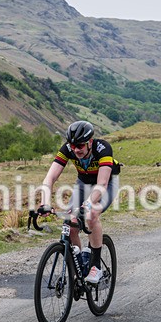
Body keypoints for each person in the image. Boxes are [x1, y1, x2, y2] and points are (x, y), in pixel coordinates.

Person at [39, 121, 120, 283]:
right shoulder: (68, 149)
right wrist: (44, 203)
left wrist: (88, 204)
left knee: (91, 214)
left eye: (80, 146)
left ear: (90, 142)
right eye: (73, 145)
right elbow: (50, 178)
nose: (76, 149)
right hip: (83, 183)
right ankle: (80, 263)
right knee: (71, 221)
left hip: (106, 183)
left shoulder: (103, 149)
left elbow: (102, 184)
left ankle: (95, 267)